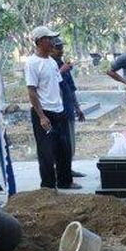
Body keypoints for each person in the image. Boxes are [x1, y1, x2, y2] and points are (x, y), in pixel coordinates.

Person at [25, 26, 80, 190]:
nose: (53, 42)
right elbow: (31, 91)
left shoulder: (51, 62)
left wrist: (66, 106)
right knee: (46, 152)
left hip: (58, 110)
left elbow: (57, 84)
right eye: (50, 39)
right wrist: (41, 116)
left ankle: (65, 181)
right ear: (40, 41)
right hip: (44, 112)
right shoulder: (32, 63)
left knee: (64, 148)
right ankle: (48, 187)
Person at [51, 37, 85, 178]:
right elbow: (48, 85)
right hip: (55, 112)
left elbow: (71, 89)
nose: (61, 50)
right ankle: (59, 171)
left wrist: (77, 108)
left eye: (61, 47)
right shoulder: (49, 65)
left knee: (70, 142)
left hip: (68, 109)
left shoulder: (63, 65)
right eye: (58, 48)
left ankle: (67, 168)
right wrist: (61, 71)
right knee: (59, 144)